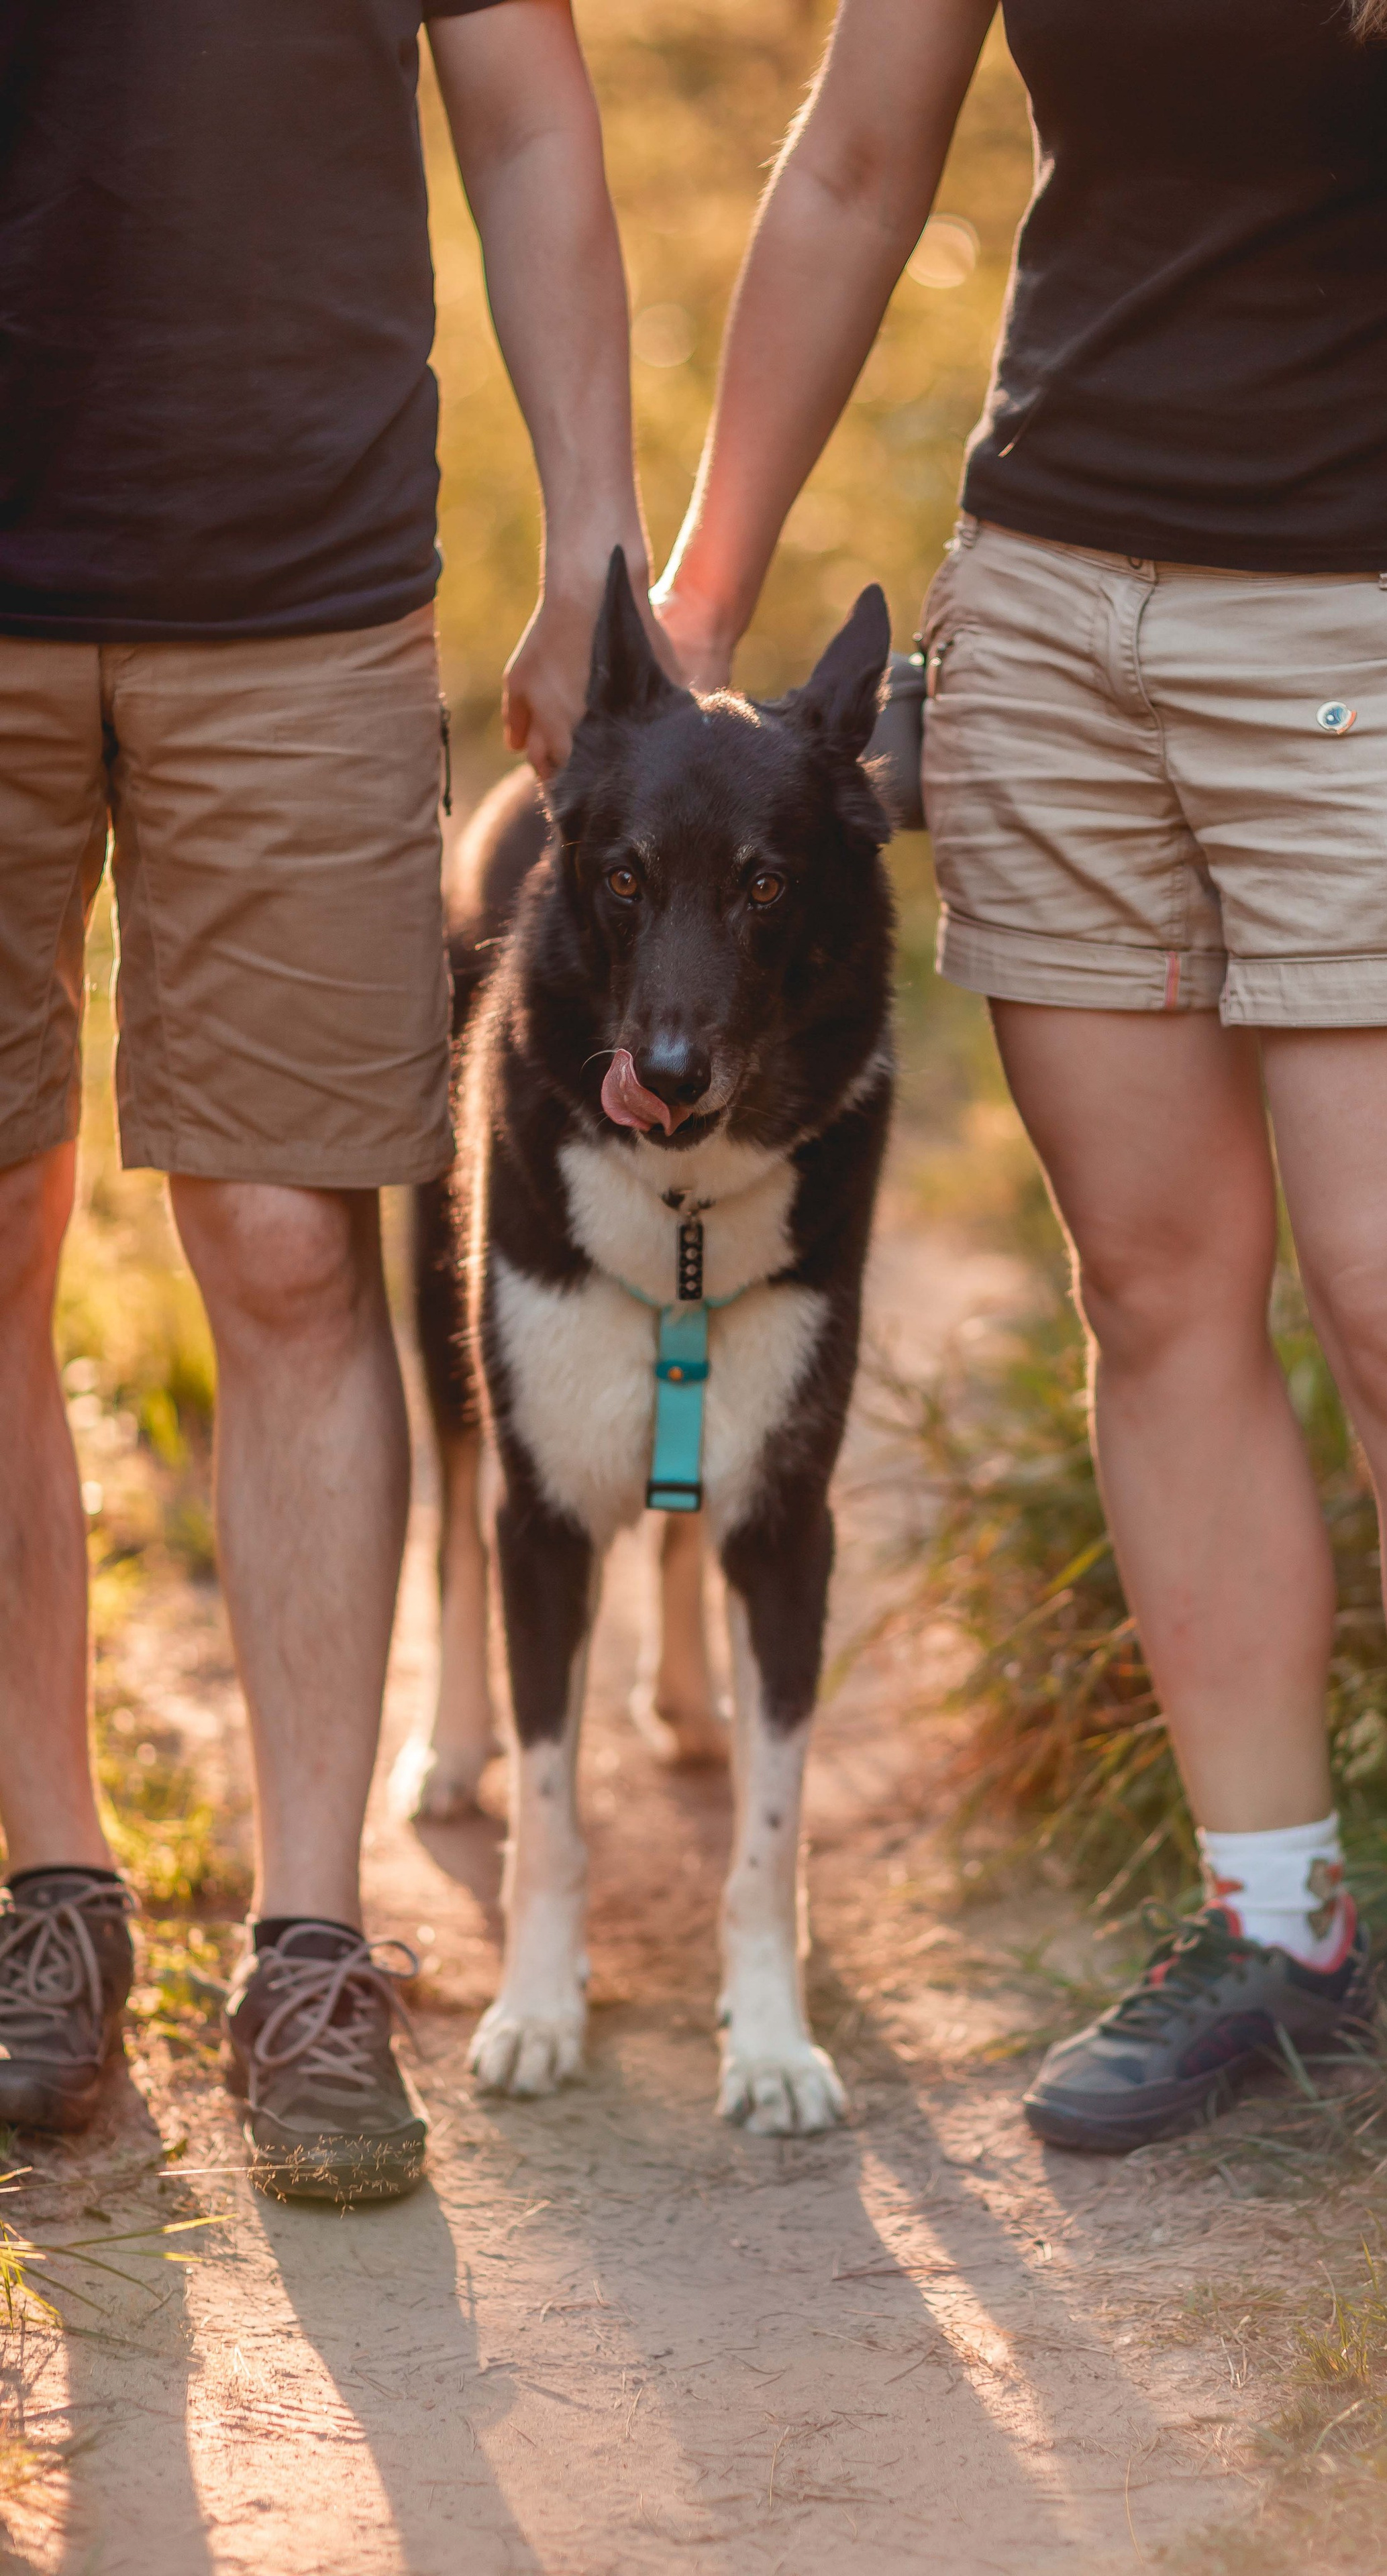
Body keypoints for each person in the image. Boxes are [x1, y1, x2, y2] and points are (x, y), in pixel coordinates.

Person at [653, 0, 1387, 2256]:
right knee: (1152, 1290)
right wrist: (702, 597)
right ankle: (1279, 1927)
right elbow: (854, 163)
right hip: (1051, 633)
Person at [0, 0, 659, 2204]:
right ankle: (53, 1897)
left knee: (292, 1248)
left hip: (300, 596)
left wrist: (594, 538)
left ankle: (308, 1946)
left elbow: (529, 117)